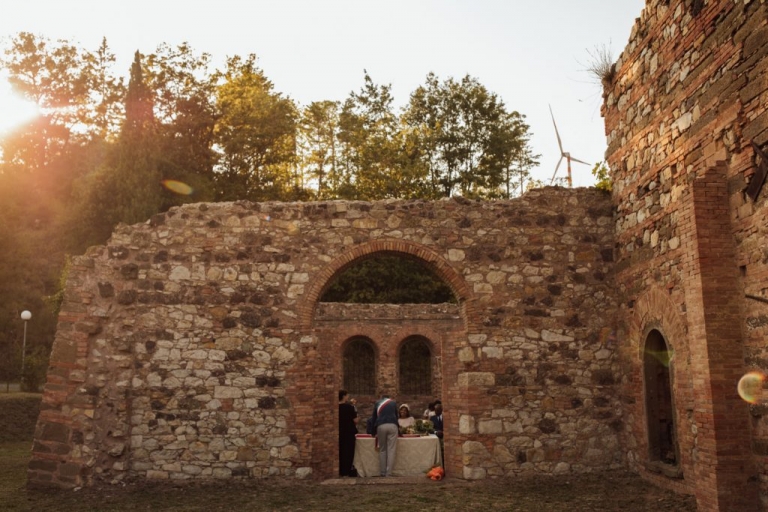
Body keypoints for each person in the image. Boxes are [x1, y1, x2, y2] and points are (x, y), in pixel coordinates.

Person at [372, 394, 398, 477]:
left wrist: (373, 431)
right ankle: (389, 473)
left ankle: (382, 472)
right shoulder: (393, 403)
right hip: (392, 425)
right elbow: (396, 416)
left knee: (382, 449)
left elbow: (374, 417)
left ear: (381, 398)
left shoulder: (377, 403)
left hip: (381, 425)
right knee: (391, 449)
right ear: (389, 398)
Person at [338, 390, 358, 477]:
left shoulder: (336, 408)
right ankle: (347, 470)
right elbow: (355, 420)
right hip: (349, 432)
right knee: (348, 452)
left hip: (339, 432)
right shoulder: (349, 407)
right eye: (347, 395)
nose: (348, 397)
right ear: (343, 396)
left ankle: (340, 470)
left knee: (340, 451)